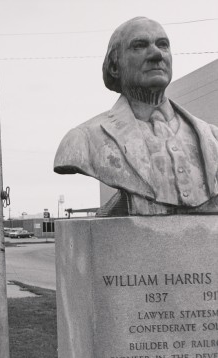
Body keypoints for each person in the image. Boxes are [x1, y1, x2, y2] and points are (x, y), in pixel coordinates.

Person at [54, 17, 218, 216]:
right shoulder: (83, 140)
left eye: (163, 45)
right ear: (115, 66)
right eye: (139, 46)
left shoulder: (213, 138)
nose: (156, 54)